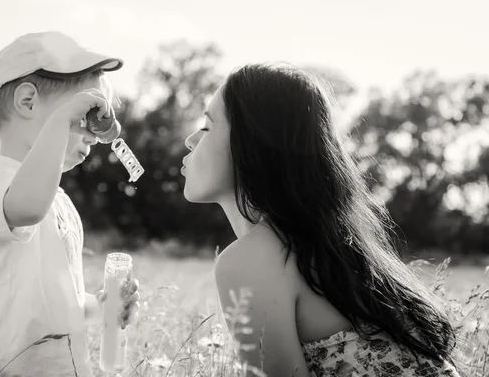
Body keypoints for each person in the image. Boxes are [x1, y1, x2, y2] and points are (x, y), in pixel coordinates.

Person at [181, 62, 461, 376]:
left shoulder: (249, 262)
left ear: (250, 144)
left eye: (206, 127)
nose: (190, 140)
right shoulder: (329, 245)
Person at [0, 31, 140, 377]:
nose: (94, 134)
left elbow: (61, 300)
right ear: (27, 102)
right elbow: (27, 207)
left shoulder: (60, 202)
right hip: (2, 368)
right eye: (88, 112)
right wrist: (61, 120)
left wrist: (99, 307)